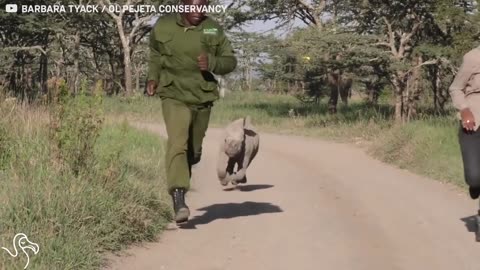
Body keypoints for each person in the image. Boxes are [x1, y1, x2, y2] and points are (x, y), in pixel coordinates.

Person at [146, 0, 237, 223]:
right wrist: (152, 77)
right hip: (172, 94)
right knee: (178, 142)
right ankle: (178, 196)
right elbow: (155, 55)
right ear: (182, 4)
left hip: (201, 97)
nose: (198, 10)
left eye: (202, 5)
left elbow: (230, 61)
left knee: (193, 152)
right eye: (193, 5)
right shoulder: (163, 26)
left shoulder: (212, 28)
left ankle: (184, 169)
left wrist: (213, 62)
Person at [449, 45, 480, 200]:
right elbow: (455, 88)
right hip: (474, 122)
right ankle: (475, 185)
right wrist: (464, 109)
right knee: (474, 178)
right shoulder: (472, 57)